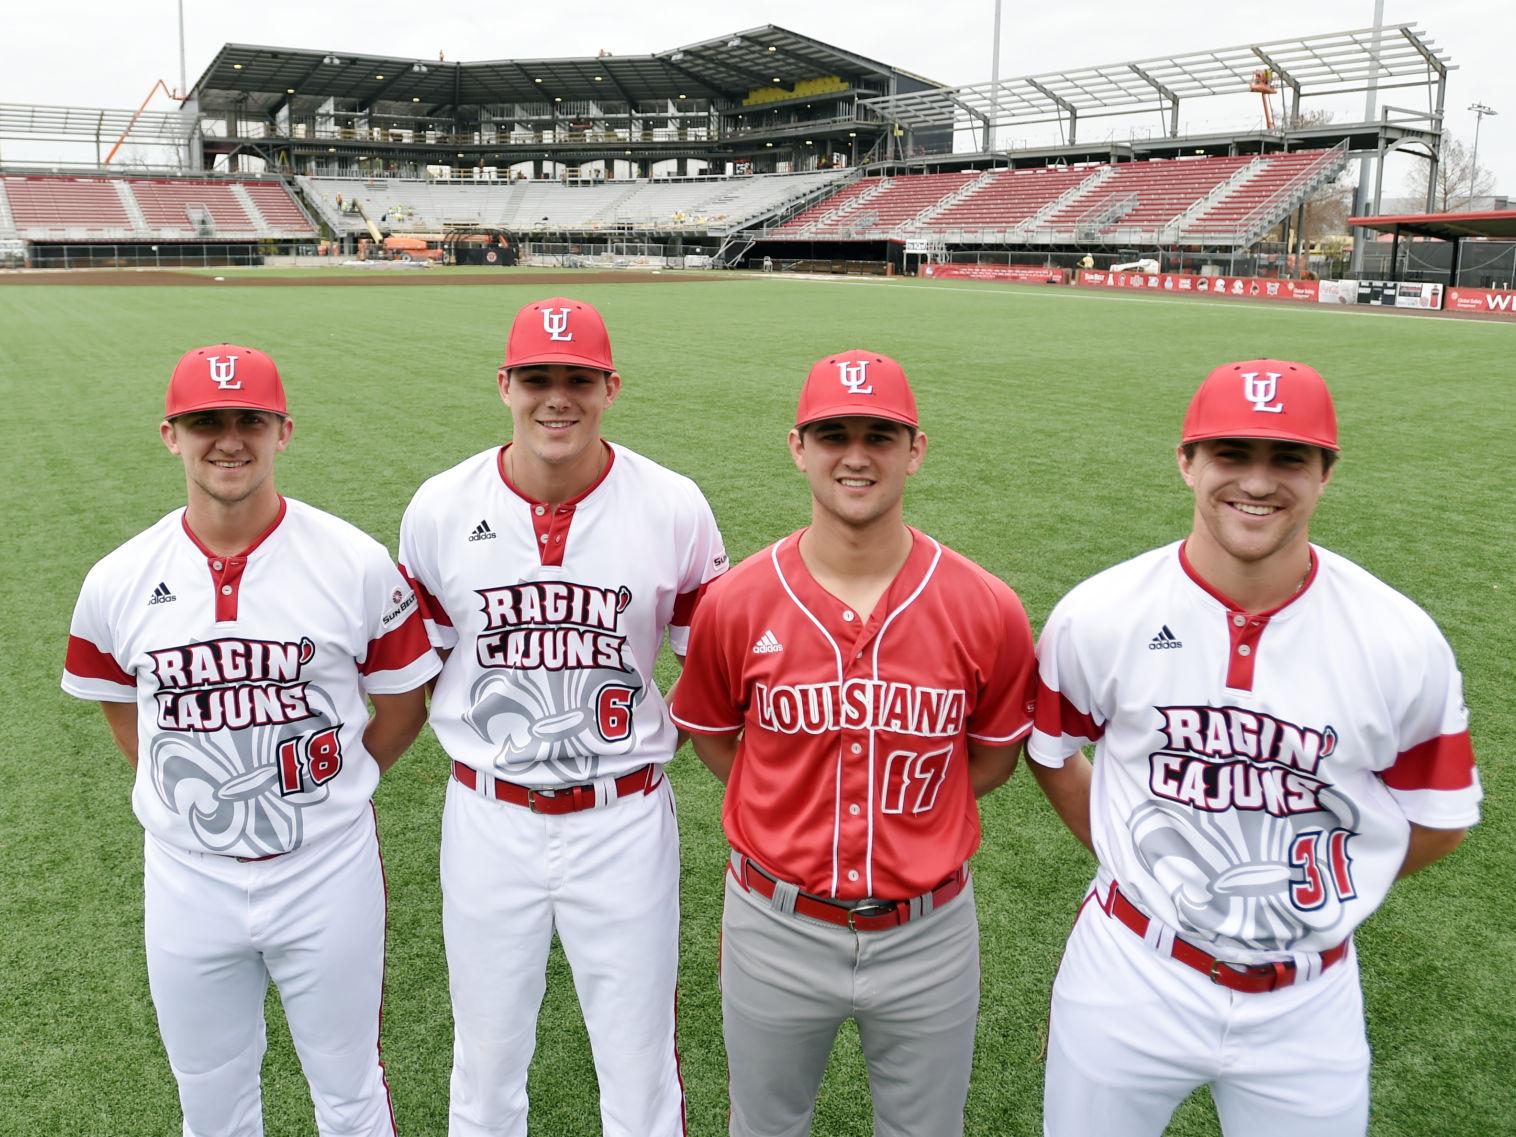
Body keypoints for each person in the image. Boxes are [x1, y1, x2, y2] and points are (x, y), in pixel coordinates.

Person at [1027, 359, 1482, 1137]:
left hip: (1309, 999)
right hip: (1133, 970)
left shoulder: (1398, 638)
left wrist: (1318, 880)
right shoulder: (1100, 613)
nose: (1259, 482)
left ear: (1326, 473)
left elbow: (1440, 817)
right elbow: (1051, 750)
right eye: (1232, 454)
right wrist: (1138, 855)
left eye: (1289, 458)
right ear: (1187, 462)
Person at [62, 344, 440, 1137]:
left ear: (283, 431)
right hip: (186, 875)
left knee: (347, 1084)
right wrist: (188, 792)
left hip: (326, 865)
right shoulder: (118, 578)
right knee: (210, 1091)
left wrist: (337, 779)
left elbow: (405, 697)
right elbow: (123, 708)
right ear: (171, 434)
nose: (229, 439)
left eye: (249, 420)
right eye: (207, 421)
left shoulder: (351, 561)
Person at [670, 350, 1038, 1137]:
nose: (857, 454)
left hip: (929, 933)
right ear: (798, 446)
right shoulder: (736, 603)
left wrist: (920, 815)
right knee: (766, 1126)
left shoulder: (986, 606)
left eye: (880, 433)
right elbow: (716, 737)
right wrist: (789, 797)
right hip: (775, 923)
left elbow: (994, 755)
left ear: (916, 449)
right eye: (833, 433)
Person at [398, 297, 728, 1137]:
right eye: (537, 378)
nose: (557, 399)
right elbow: (417, 664)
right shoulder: (439, 505)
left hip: (622, 819)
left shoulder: (674, 504)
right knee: (485, 1057)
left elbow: (711, 671)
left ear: (610, 386)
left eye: (577, 379)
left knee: (640, 1062)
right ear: (504, 384)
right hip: (487, 812)